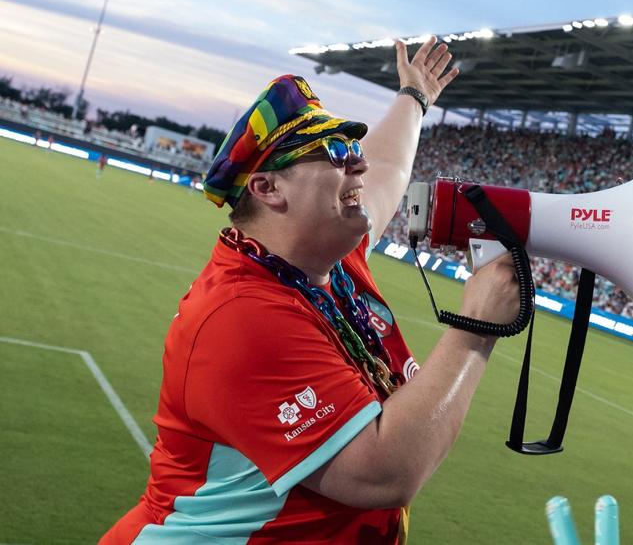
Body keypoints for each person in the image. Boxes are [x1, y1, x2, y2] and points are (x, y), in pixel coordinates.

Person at [101, 38, 521, 543]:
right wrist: (475, 332)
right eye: (337, 152)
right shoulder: (241, 316)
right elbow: (382, 473)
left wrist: (415, 96)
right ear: (269, 189)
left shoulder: (332, 262)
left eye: (353, 150)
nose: (358, 164)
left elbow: (387, 168)